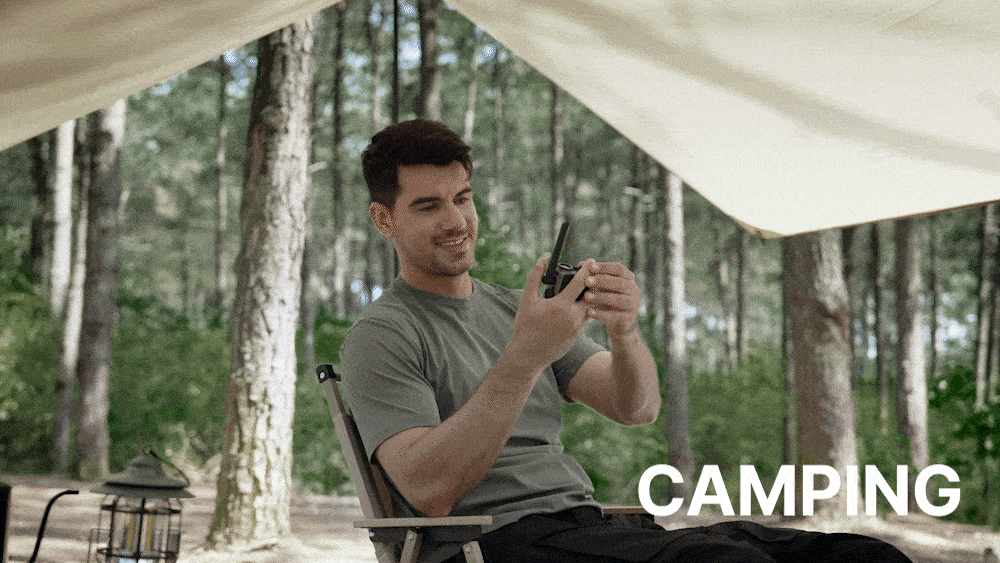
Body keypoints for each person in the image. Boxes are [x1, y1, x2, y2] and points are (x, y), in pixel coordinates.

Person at [340, 119, 911, 563]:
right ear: (384, 220)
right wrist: (526, 355)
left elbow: (635, 407)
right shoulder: (383, 335)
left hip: (589, 529)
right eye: (428, 206)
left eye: (462, 198)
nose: (456, 221)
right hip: (494, 546)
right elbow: (430, 490)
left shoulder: (515, 309)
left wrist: (625, 329)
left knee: (860, 556)